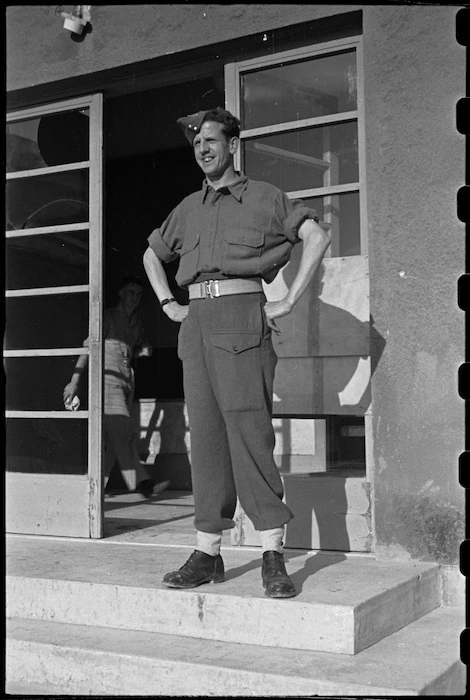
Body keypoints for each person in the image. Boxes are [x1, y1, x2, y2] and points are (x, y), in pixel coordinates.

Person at [143, 107, 330, 598]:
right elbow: (151, 253)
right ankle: (208, 552)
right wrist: (168, 303)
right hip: (197, 327)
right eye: (196, 143)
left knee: (249, 434)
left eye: (210, 140)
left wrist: (288, 299)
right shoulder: (187, 207)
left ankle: (272, 553)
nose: (202, 149)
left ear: (232, 145)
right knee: (204, 440)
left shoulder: (265, 198)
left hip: (244, 320)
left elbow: (316, 235)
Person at [63, 275, 169, 498]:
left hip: (127, 381)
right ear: (121, 293)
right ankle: (142, 484)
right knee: (123, 432)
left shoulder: (136, 321)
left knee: (113, 440)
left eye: (139, 294)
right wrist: (74, 381)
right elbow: (88, 348)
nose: (135, 298)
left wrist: (142, 350)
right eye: (131, 292)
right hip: (108, 379)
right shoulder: (108, 317)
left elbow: (139, 349)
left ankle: (94, 490)